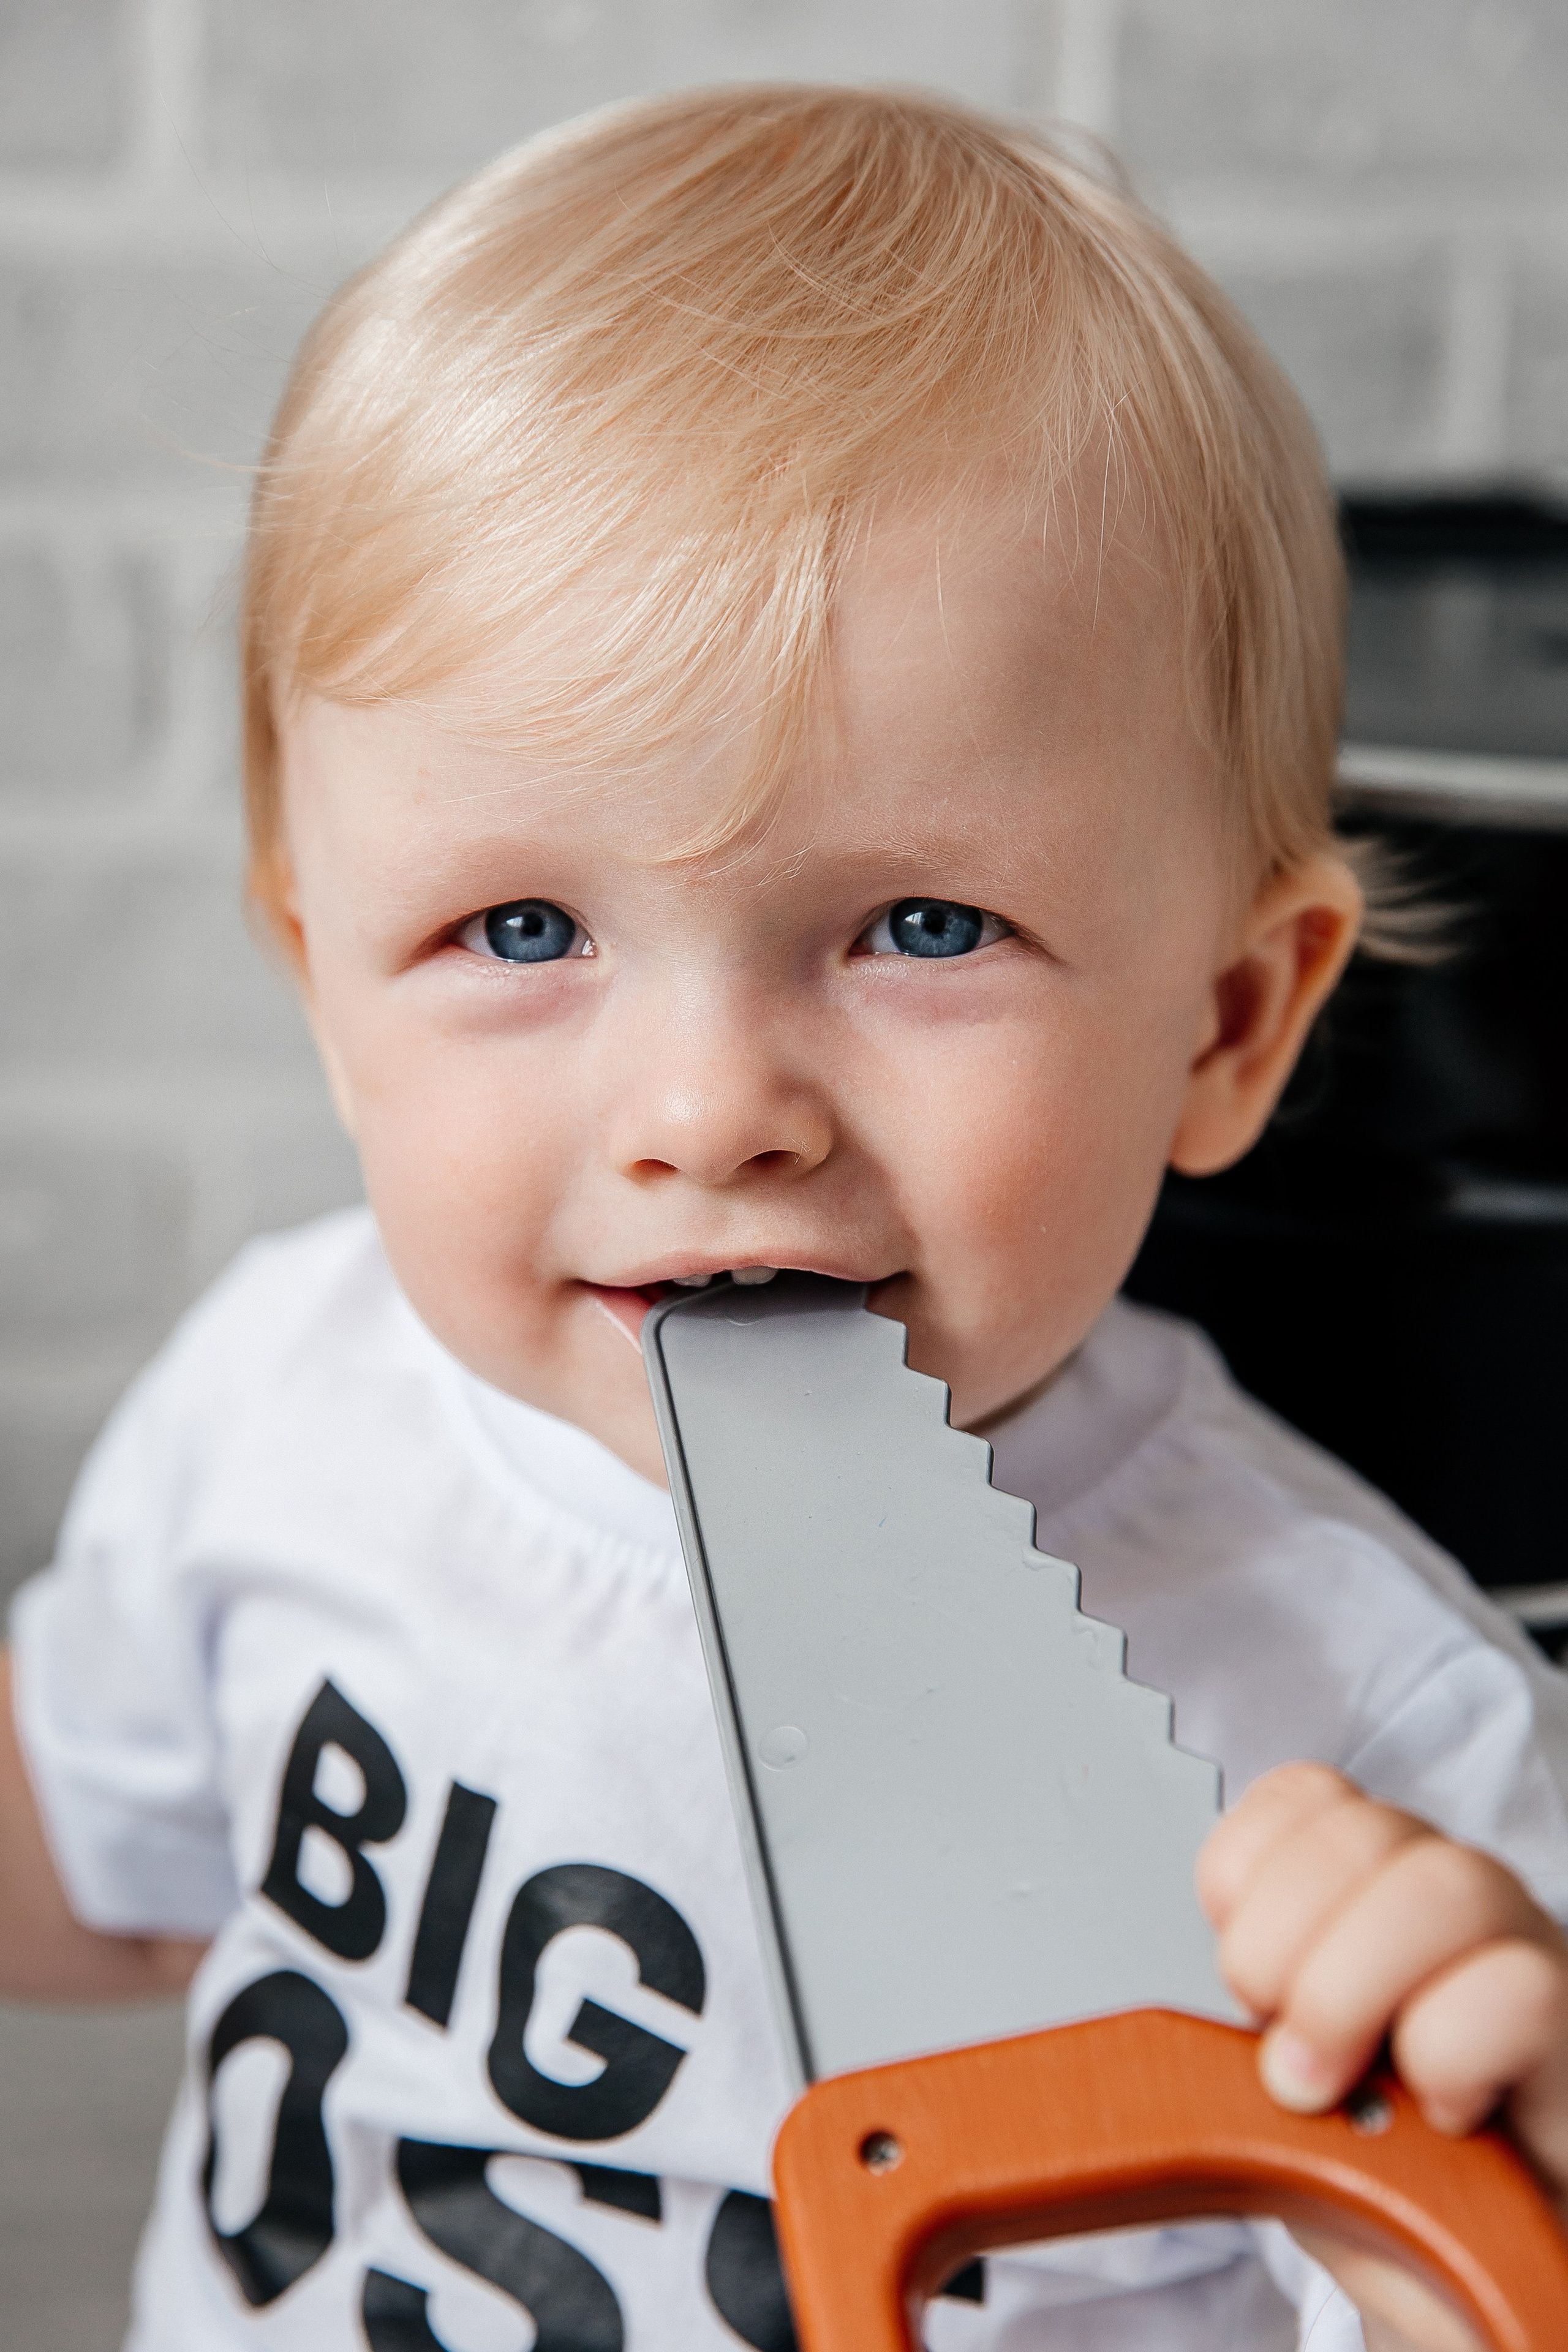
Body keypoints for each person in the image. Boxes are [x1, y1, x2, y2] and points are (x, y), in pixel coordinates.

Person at [1, 85, 1565, 2352]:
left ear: (1230, 1026)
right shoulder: (282, 1398)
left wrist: (1483, 2164)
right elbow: (99, 1855)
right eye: (523, 931)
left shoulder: (1376, 1752)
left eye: (925, 925)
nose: (713, 1108)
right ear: (327, 994)